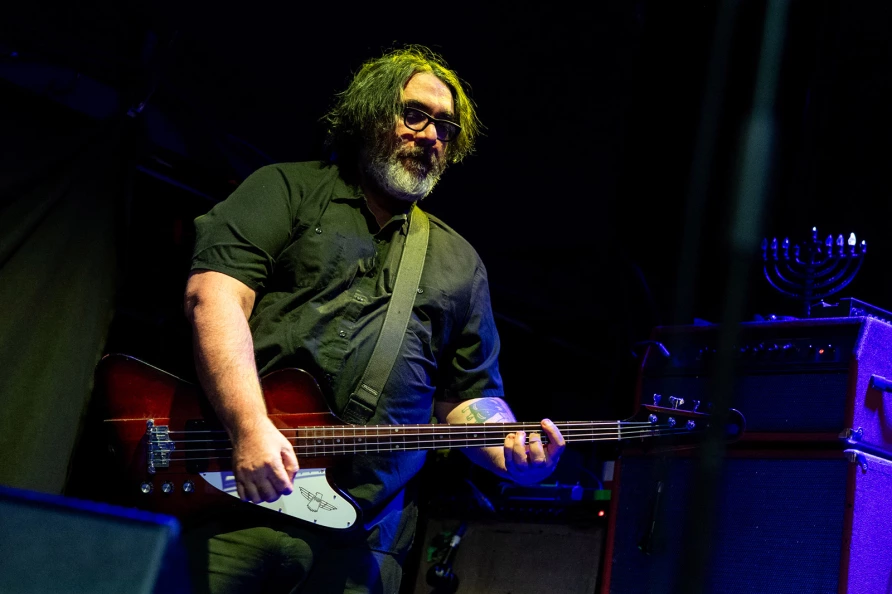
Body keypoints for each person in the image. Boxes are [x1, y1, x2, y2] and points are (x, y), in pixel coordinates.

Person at [183, 45, 566, 594]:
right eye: (415, 114)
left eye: (446, 128)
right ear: (369, 115)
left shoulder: (459, 263)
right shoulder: (286, 190)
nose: (431, 135)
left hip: (361, 538)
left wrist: (514, 457)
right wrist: (249, 427)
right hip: (236, 501)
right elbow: (214, 299)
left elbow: (466, 398)